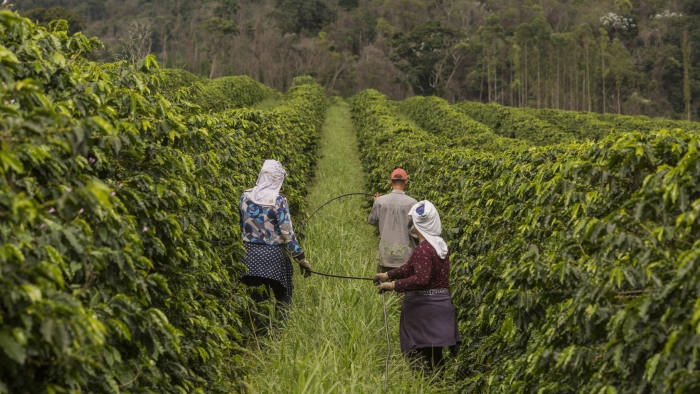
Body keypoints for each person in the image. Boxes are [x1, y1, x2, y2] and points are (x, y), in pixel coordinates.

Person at [374, 200, 460, 370]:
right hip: (442, 305)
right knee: (435, 356)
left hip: (424, 310)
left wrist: (393, 285)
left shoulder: (423, 249)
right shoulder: (439, 245)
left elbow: (421, 279)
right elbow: (410, 267)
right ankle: (437, 385)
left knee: (419, 356)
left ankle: (423, 385)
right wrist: (387, 275)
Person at [239, 159, 312, 325]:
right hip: (273, 257)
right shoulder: (278, 201)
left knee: (257, 301)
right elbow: (288, 234)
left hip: (248, 256)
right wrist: (301, 258)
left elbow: (241, 225)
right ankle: (279, 330)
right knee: (283, 295)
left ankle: (258, 333)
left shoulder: (245, 196)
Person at [368, 168, 418, 273]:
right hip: (406, 258)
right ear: (406, 182)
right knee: (404, 287)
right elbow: (415, 233)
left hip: (385, 256)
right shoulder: (413, 203)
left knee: (384, 287)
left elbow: (373, 221)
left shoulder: (380, 202)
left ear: (391, 182)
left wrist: (376, 203)